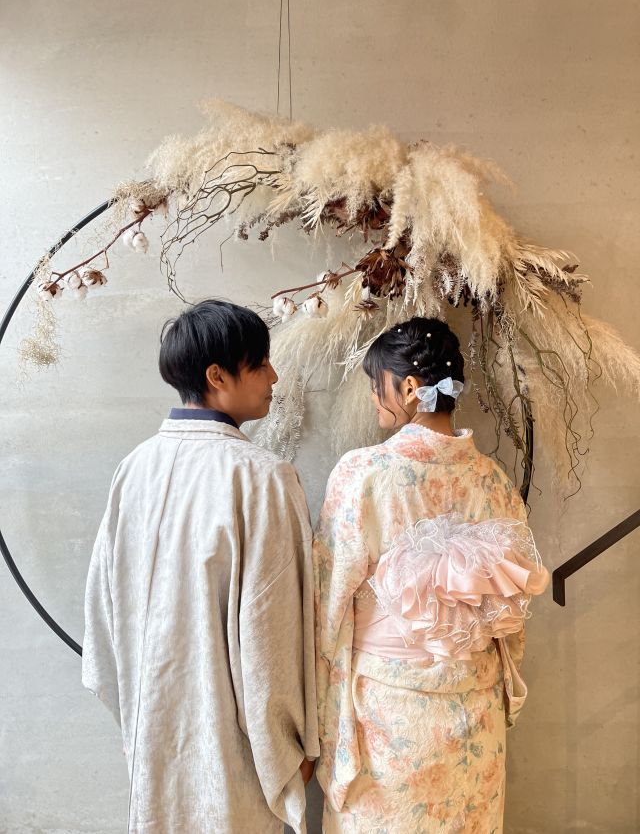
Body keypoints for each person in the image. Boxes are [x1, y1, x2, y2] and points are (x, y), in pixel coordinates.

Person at [82, 299, 319, 834]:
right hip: (232, 744)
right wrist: (289, 747)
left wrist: (137, 710)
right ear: (218, 376)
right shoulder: (262, 477)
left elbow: (102, 608)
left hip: (151, 733)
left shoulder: (134, 468)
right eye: (261, 363)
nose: (274, 377)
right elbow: (273, 629)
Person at [313, 316, 549, 833]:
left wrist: (323, 719)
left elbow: (327, 607)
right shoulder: (493, 479)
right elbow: (511, 614)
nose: (373, 398)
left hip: (390, 713)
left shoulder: (362, 473)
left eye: (377, 385)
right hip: (475, 711)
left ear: (409, 388)